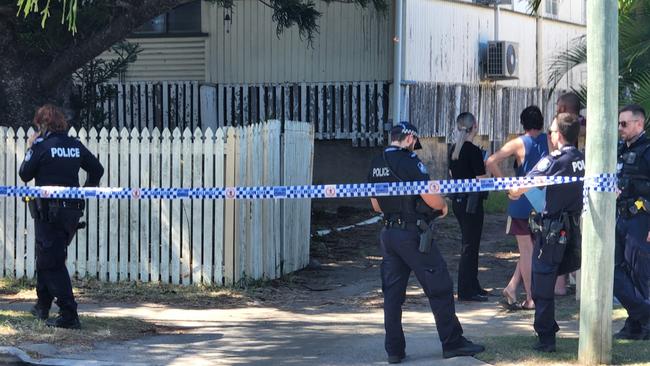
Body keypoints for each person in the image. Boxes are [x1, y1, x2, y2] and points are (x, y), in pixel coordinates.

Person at [368, 122, 485, 363]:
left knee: (392, 296)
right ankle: (452, 342)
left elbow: (376, 205)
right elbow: (430, 197)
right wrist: (442, 206)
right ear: (410, 138)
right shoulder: (411, 162)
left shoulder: (377, 162)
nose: (414, 147)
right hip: (413, 235)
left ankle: (394, 351)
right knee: (439, 285)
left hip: (389, 234)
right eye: (414, 143)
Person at [19, 104, 104, 329]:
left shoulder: (42, 146)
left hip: (49, 212)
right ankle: (42, 306)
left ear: (43, 125)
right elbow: (97, 169)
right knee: (48, 257)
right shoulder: (75, 146)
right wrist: (85, 190)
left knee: (51, 262)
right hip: (72, 212)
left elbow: (24, 174)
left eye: (38, 125)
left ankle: (69, 314)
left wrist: (31, 147)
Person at [508, 113, 584, 352]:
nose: (549, 134)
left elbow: (522, 186)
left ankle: (546, 338)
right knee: (556, 278)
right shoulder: (581, 158)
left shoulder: (554, 159)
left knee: (541, 285)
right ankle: (549, 330)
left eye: (552, 131)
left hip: (552, 231)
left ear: (558, 135)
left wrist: (512, 191)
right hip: (573, 228)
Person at [486, 105, 549, 310]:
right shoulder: (549, 140)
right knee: (533, 249)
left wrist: (506, 185)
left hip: (521, 199)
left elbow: (491, 161)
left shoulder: (519, 143)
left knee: (526, 251)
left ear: (523, 123)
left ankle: (531, 297)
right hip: (542, 200)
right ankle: (512, 288)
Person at [613, 104, 650, 340]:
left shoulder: (647, 151)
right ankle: (641, 315)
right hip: (620, 217)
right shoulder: (618, 150)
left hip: (641, 219)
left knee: (641, 273)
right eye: (619, 124)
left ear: (639, 124)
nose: (620, 128)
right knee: (615, 271)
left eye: (624, 124)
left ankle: (640, 323)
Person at [448, 112, 489, 302]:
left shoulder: (453, 151)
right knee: (470, 246)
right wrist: (488, 170)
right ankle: (466, 290)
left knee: (470, 245)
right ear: (475, 127)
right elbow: (481, 180)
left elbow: (452, 174)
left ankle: (473, 285)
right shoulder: (473, 151)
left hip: (459, 202)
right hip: (472, 203)